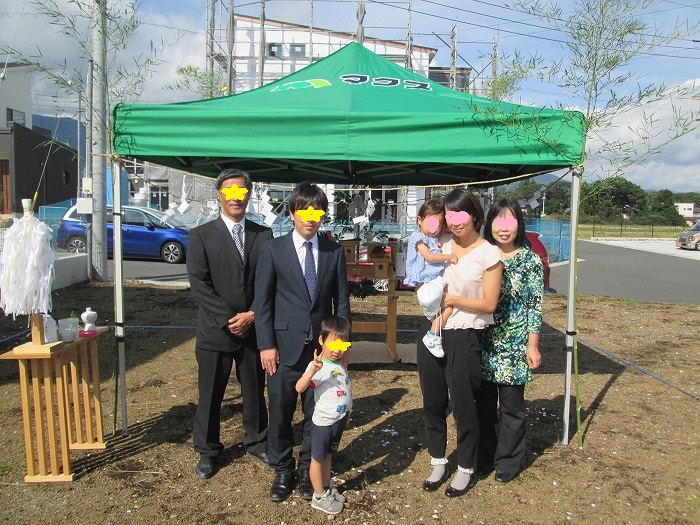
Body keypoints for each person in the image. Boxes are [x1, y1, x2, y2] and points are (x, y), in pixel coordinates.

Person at [254, 181, 352, 503]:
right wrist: (266, 344)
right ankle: (282, 467)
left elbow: (342, 306)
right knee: (280, 413)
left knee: (317, 415)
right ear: (293, 212)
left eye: (317, 211)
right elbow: (263, 302)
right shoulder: (274, 249)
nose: (311, 217)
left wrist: (341, 350)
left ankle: (308, 468)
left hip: (321, 354)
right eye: (304, 211)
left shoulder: (333, 252)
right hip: (282, 349)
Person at [416, 188, 502, 497]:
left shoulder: (488, 253)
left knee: (464, 405)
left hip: (466, 334)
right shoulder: (444, 245)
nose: (454, 221)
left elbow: (490, 304)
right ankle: (438, 461)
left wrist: (452, 298)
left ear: (475, 215)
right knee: (433, 402)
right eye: (449, 216)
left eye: (460, 214)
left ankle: (466, 467)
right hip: (434, 332)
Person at [186, 168, 271, 479]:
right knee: (210, 394)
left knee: (254, 390)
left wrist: (252, 314)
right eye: (230, 191)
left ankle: (257, 441)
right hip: (215, 331)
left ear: (249, 195)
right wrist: (227, 318)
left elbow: (267, 281)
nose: (236, 197)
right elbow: (199, 283)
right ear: (219, 195)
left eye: (242, 191)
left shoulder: (263, 235)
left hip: (252, 329)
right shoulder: (201, 236)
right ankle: (207, 451)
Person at [477, 198, 543, 483]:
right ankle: (483, 457)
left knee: (512, 407)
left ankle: (508, 461)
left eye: (510, 222)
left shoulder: (530, 260)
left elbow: (534, 305)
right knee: (483, 404)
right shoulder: (481, 254)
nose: (504, 229)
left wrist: (533, 344)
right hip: (481, 341)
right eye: (499, 221)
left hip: (515, 345)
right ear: (489, 224)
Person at [295, 316, 352, 515]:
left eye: (342, 344)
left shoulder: (339, 363)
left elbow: (343, 390)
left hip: (338, 421)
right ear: (321, 340)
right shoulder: (318, 366)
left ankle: (326, 488)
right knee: (317, 459)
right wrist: (312, 370)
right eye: (333, 344)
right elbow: (299, 387)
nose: (337, 349)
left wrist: (347, 413)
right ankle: (318, 496)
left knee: (328, 456)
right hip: (323, 424)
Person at [403, 200, 457, 358]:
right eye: (432, 222)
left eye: (439, 224)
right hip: (426, 282)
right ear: (420, 220)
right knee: (447, 305)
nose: (435, 228)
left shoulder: (433, 239)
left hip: (430, 281)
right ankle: (433, 335)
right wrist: (449, 257)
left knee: (446, 308)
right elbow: (429, 257)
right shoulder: (418, 237)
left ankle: (434, 334)